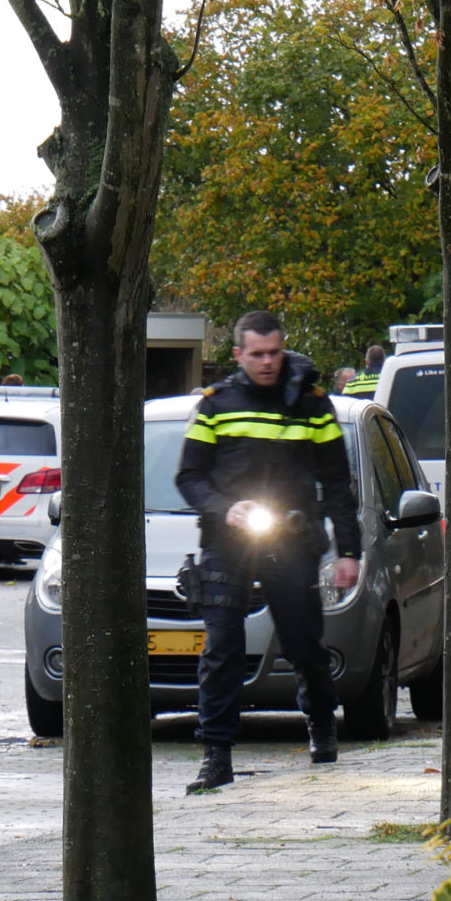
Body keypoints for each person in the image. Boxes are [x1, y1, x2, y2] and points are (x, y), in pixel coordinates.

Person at [176, 310, 361, 794]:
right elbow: (189, 477)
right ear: (238, 355)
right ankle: (216, 754)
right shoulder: (217, 405)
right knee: (222, 649)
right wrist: (226, 508)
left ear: (283, 348)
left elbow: (338, 483)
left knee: (302, 643)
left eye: (274, 352)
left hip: (292, 538)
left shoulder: (312, 404)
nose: (266, 362)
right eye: (256, 354)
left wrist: (349, 551)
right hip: (227, 538)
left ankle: (321, 724)